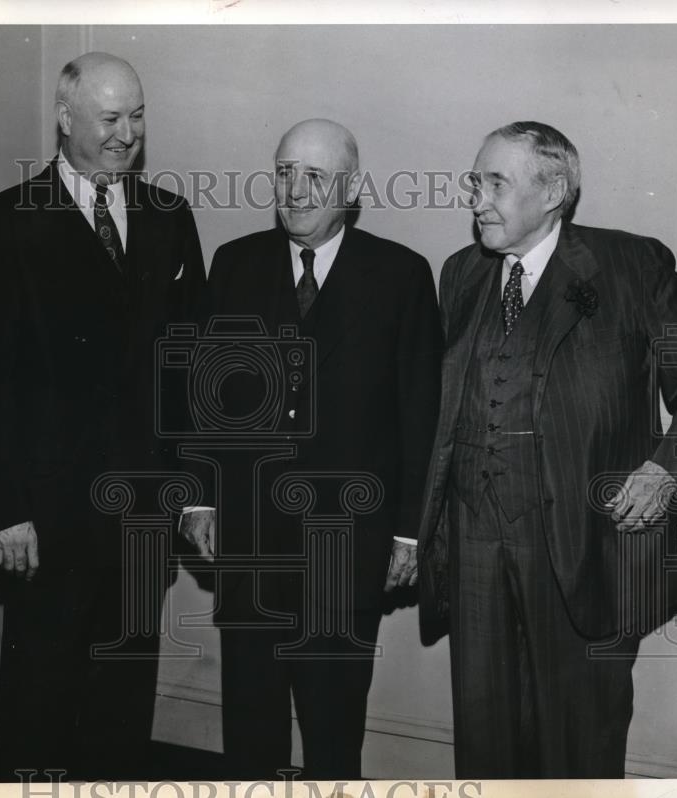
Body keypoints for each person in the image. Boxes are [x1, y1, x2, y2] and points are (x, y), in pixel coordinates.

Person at [416, 121, 677, 778]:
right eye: (475, 182)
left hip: (587, 549)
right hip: (474, 550)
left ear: (552, 191)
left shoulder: (631, 266)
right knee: (487, 748)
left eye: (496, 184)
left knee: (579, 751)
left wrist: (667, 467)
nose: (476, 200)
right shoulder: (460, 275)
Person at [0, 52, 205, 778]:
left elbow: (188, 366)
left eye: (138, 116)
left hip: (142, 519)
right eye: (110, 118)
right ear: (65, 120)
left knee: (123, 703)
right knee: (41, 704)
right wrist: (5, 512)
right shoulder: (2, 225)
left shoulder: (168, 218)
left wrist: (192, 491)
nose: (128, 134)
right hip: (46, 523)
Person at [185, 119, 441, 779]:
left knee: (333, 732)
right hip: (250, 548)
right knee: (250, 727)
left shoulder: (401, 275)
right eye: (284, 173)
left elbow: (420, 414)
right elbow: (205, 399)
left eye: (315, 177)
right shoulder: (235, 264)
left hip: (347, 547)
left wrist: (409, 535)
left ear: (351, 188)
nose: (295, 191)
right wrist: (201, 498)